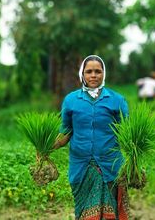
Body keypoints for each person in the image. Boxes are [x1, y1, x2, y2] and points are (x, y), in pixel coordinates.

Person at [54, 55, 129, 220]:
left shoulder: (117, 100)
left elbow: (127, 134)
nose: (93, 75)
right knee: (83, 212)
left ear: (104, 74)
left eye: (97, 71)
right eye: (89, 71)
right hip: (81, 167)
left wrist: (136, 160)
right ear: (82, 74)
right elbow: (66, 132)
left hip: (110, 166)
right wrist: (47, 146)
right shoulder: (72, 100)